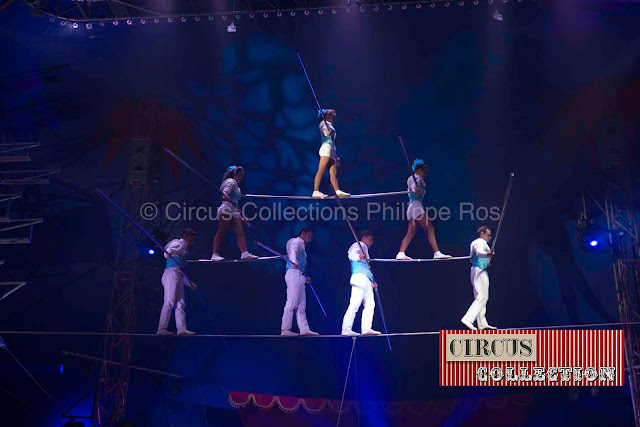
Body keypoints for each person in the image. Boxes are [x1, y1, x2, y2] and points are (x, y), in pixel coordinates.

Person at [395, 159, 451, 260]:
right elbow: (412, 186)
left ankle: (401, 253)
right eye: (423, 171)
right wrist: (414, 190)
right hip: (416, 207)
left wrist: (413, 189)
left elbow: (412, 186)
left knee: (411, 232)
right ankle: (437, 253)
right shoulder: (416, 178)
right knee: (430, 228)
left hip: (411, 208)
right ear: (417, 170)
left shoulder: (415, 178)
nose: (425, 173)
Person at [210, 165, 258, 261]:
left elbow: (235, 205)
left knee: (240, 232)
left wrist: (241, 218)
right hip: (226, 209)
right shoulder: (231, 182)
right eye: (240, 175)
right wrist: (225, 196)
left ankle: (244, 253)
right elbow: (225, 193)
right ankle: (214, 254)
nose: (242, 177)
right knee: (221, 231)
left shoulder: (237, 187)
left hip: (233, 211)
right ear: (235, 174)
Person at [157, 228, 197, 336]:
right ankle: (161, 328)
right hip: (171, 274)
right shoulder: (179, 243)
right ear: (184, 236)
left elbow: (181, 273)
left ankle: (181, 329)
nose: (191, 240)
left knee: (180, 304)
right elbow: (167, 252)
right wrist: (168, 253)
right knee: (169, 301)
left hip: (177, 275)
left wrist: (190, 284)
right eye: (190, 237)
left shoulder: (185, 252)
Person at [341, 231, 381, 336]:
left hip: (366, 280)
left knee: (370, 304)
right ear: (364, 238)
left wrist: (373, 281)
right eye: (370, 240)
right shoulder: (359, 245)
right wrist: (359, 255)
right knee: (355, 304)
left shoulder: (365, 249)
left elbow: (367, 268)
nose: (371, 243)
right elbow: (351, 254)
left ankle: (366, 328)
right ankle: (346, 329)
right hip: (359, 278)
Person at [281, 228, 319, 337]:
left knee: (302, 305)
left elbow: (301, 265)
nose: (310, 239)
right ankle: (285, 329)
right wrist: (293, 261)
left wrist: (305, 276)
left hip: (299, 275)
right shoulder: (296, 241)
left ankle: (304, 329)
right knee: (292, 302)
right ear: (303, 233)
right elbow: (292, 251)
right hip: (293, 273)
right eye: (309, 236)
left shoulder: (303, 246)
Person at [460, 226, 497, 330]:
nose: (490, 237)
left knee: (483, 297)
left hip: (481, 270)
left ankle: (482, 324)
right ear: (482, 233)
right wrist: (487, 254)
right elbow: (480, 252)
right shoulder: (479, 242)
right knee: (481, 297)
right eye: (488, 234)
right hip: (479, 270)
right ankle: (468, 318)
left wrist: (489, 257)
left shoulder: (483, 243)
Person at [312, 109, 351, 199]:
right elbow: (324, 130)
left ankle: (337, 191)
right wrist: (326, 133)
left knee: (333, 173)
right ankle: (316, 191)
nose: (334, 118)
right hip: (326, 148)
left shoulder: (330, 125)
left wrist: (335, 156)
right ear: (328, 117)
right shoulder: (324, 123)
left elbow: (332, 142)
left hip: (331, 149)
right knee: (321, 170)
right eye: (332, 116)